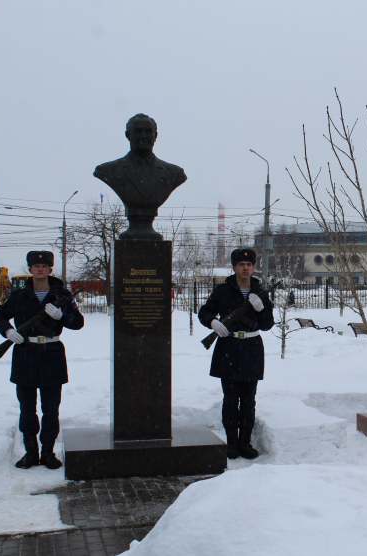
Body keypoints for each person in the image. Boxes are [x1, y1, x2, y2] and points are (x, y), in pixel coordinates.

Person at [0, 251, 85, 470]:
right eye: (36, 266)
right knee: (27, 408)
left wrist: (61, 316)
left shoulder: (61, 295)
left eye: (44, 266)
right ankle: (30, 453)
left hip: (52, 353)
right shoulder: (19, 295)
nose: (40, 269)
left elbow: (78, 323)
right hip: (25, 353)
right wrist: (8, 332)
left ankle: (48, 453)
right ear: (30, 269)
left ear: (50, 270)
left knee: (51, 409)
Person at [198, 248, 274, 460]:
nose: (245, 268)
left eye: (249, 264)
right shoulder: (223, 291)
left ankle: (245, 442)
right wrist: (213, 322)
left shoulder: (260, 293)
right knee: (230, 400)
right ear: (234, 267)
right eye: (241, 264)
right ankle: (232, 442)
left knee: (249, 400)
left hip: (251, 349)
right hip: (228, 348)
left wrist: (261, 309)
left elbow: (268, 324)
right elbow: (204, 312)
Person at [93, 113, 187, 240]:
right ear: (128, 135)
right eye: (138, 131)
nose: (144, 136)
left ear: (155, 136)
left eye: (148, 131)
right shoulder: (108, 171)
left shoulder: (174, 173)